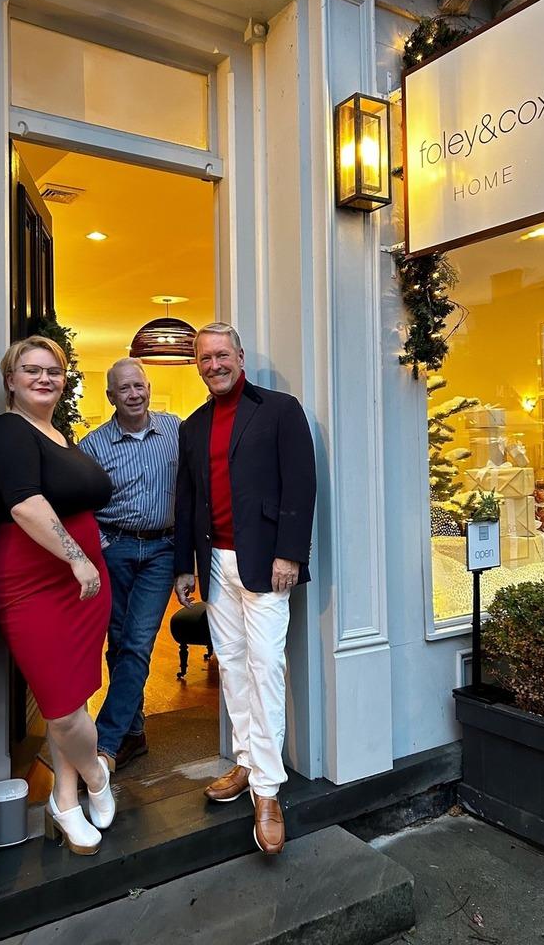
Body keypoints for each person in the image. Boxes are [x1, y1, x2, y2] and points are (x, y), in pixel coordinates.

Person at [173, 323, 316, 855]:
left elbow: (301, 483)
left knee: (265, 669)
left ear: (239, 356)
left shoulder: (280, 409)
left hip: (265, 562)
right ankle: (244, 760)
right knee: (230, 665)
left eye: (221, 354)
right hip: (215, 563)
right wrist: (185, 566)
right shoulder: (193, 426)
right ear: (197, 365)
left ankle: (268, 791)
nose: (214, 364)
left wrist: (291, 552)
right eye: (204, 358)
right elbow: (187, 502)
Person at [0, 336, 116, 856]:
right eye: (31, 369)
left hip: (83, 585)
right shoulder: (8, 431)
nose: (45, 378)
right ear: (10, 381)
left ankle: (64, 798)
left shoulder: (60, 435)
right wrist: (76, 556)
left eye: (54, 371)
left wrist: (86, 561)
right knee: (61, 709)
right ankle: (98, 775)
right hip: (36, 582)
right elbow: (25, 506)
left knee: (75, 693)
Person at [79, 358, 180, 771]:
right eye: (125, 389)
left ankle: (105, 742)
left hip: (162, 550)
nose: (134, 394)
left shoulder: (175, 430)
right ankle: (133, 734)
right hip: (115, 550)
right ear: (111, 397)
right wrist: (102, 544)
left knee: (138, 641)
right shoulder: (92, 446)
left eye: (139, 385)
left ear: (149, 388)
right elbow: (81, 506)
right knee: (118, 644)